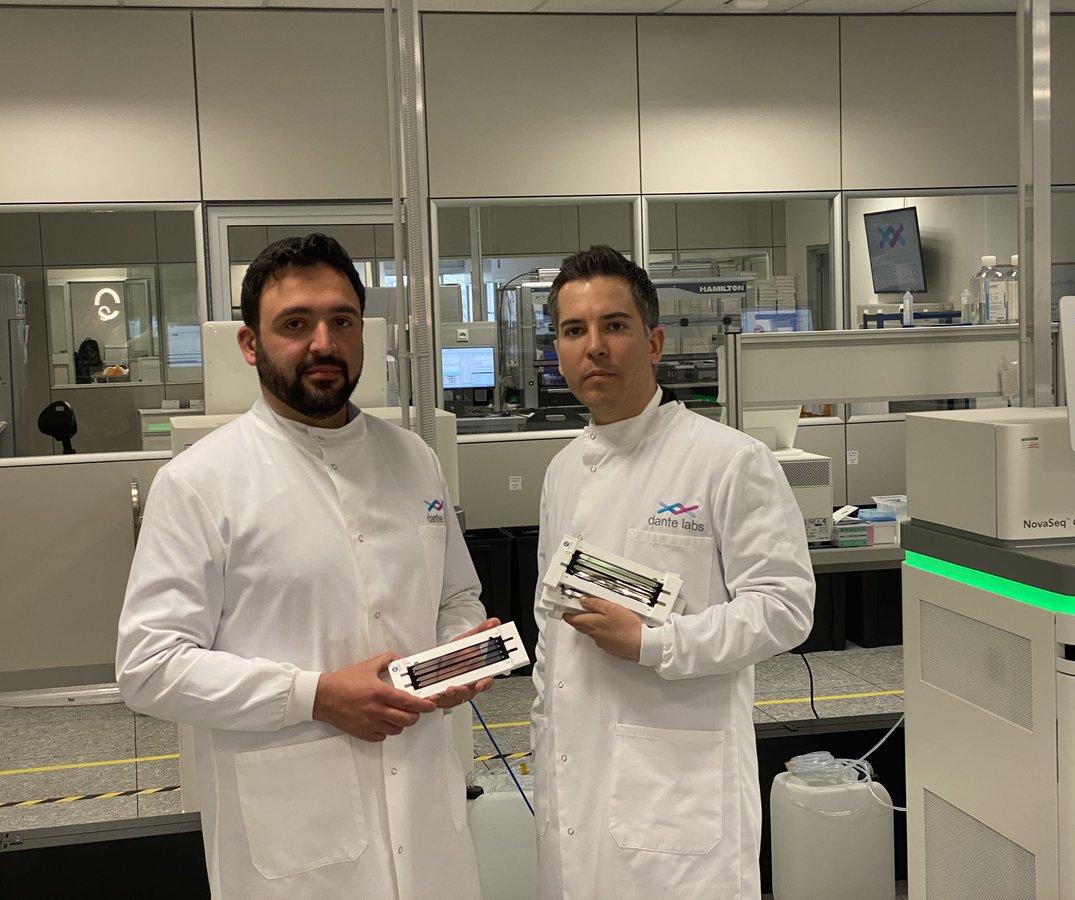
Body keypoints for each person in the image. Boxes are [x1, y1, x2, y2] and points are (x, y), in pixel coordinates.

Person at [116, 233, 494, 900]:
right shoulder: (200, 482)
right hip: (295, 844)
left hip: (425, 807)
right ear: (250, 344)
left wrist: (454, 658)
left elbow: (456, 597)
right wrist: (313, 695)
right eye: (295, 324)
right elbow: (149, 668)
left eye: (342, 321)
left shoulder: (415, 459)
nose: (324, 343)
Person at [531, 245, 817, 899]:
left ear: (653, 341)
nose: (594, 346)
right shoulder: (563, 470)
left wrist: (657, 642)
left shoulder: (727, 460)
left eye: (615, 325)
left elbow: (785, 607)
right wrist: (545, 730)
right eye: (574, 330)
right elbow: (552, 626)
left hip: (675, 794)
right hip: (573, 780)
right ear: (559, 352)